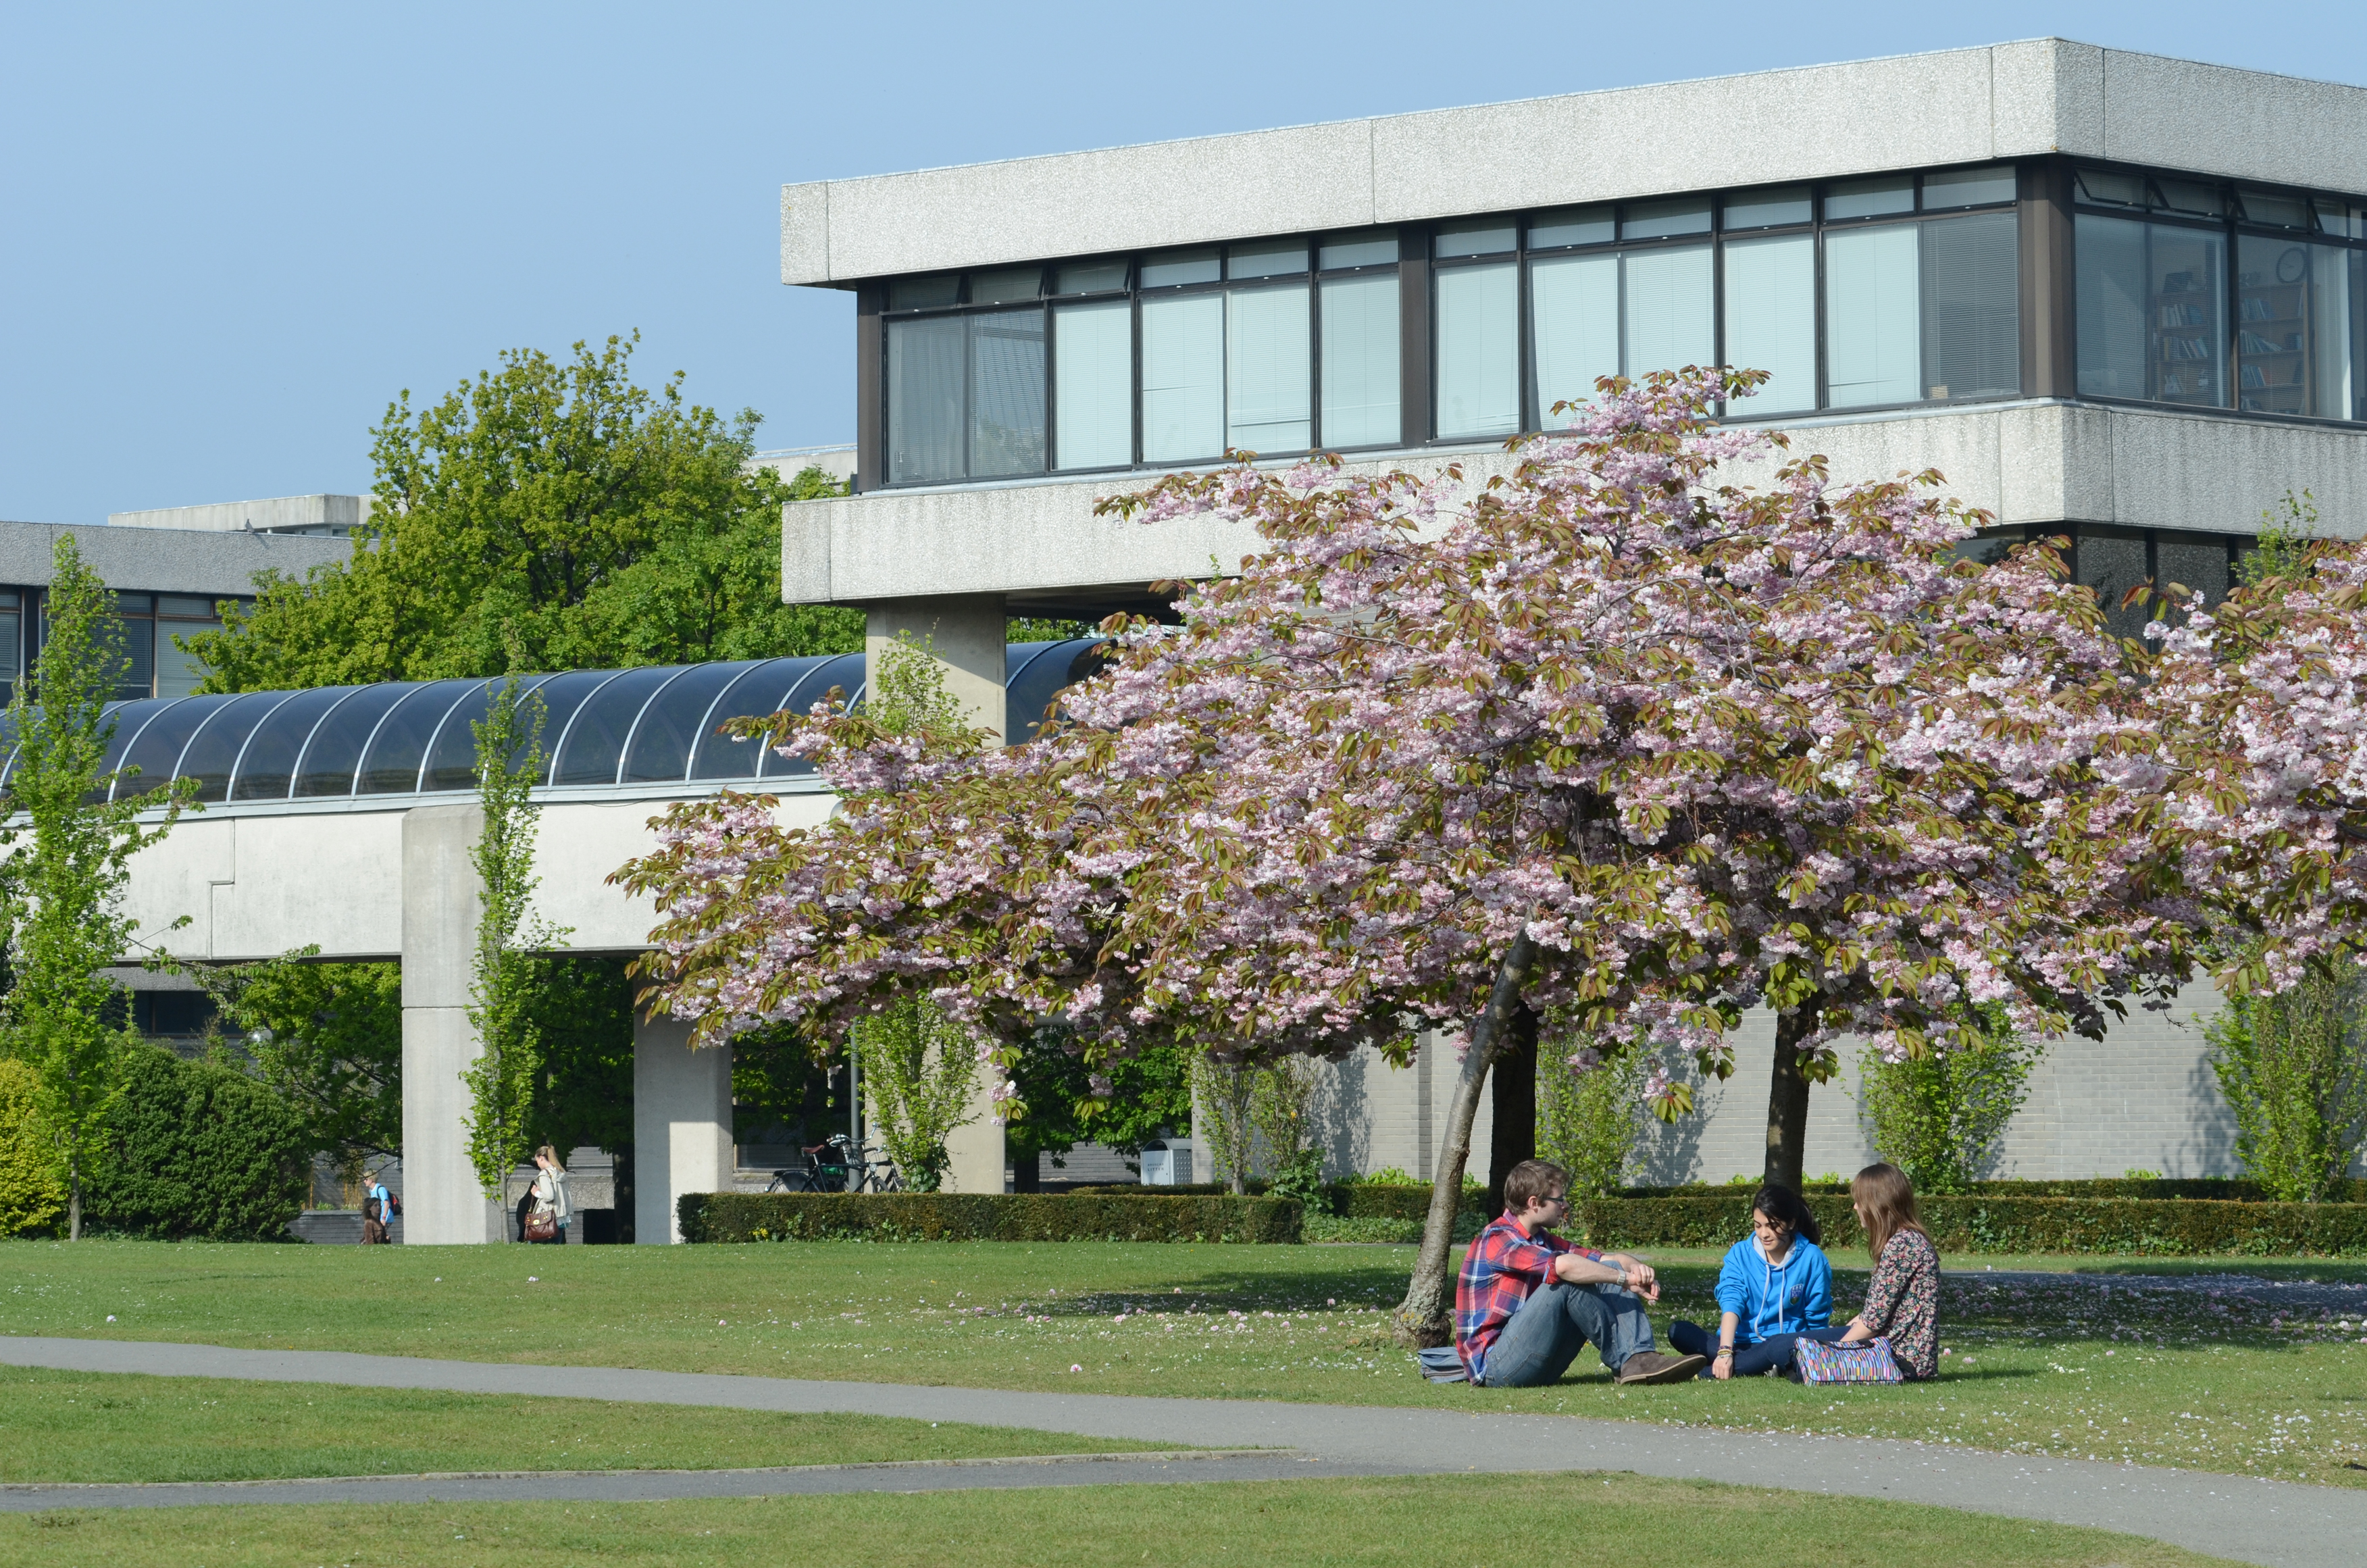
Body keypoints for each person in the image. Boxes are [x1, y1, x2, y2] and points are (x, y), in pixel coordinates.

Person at [1455, 1158, 1706, 1387]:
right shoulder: (1497, 1239)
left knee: (1601, 1268)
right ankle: (1631, 1361)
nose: (1565, 1205)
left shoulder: (1542, 1240)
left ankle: (1639, 1358)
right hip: (1496, 1368)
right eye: (1559, 1200)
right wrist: (1625, 1280)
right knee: (1569, 1277)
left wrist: (1637, 1270)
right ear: (1534, 1203)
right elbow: (1564, 1267)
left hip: (1535, 1361)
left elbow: (1608, 1259)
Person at [1669, 1183, 1846, 1379]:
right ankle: (1757, 1365)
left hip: (1783, 1344)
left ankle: (1707, 1372)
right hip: (1740, 1343)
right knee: (1678, 1331)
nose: (1764, 1234)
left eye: (1772, 1226)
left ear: (1791, 1223)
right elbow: (1732, 1302)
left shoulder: (1812, 1258)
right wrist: (1725, 1351)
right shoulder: (1740, 1254)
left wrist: (1817, 1354)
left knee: (1779, 1351)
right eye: (1758, 1225)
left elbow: (1817, 1313)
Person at [1834, 1161, 1940, 1379]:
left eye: (1859, 1201)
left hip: (1898, 1358)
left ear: (1877, 1204)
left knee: (1780, 1346)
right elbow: (1880, 1310)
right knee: (1785, 1345)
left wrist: (1833, 1353)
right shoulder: (1909, 1240)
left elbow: (1873, 1323)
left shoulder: (1902, 1245)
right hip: (1904, 1354)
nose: (1855, 1207)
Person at [526, 1145, 570, 1244]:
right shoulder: (561, 1173)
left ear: (541, 1158)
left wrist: (536, 1192)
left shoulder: (545, 1174)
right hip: (561, 1216)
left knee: (533, 1247)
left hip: (546, 1217)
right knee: (554, 1249)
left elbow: (549, 1196)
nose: (537, 1163)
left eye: (537, 1160)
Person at [361, 1169, 394, 1245]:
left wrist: (384, 1218)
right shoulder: (371, 1191)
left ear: (371, 1180)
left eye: (366, 1179)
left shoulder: (381, 1189)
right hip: (379, 1216)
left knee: (380, 1233)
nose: (364, 1181)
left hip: (385, 1216)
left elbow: (386, 1204)